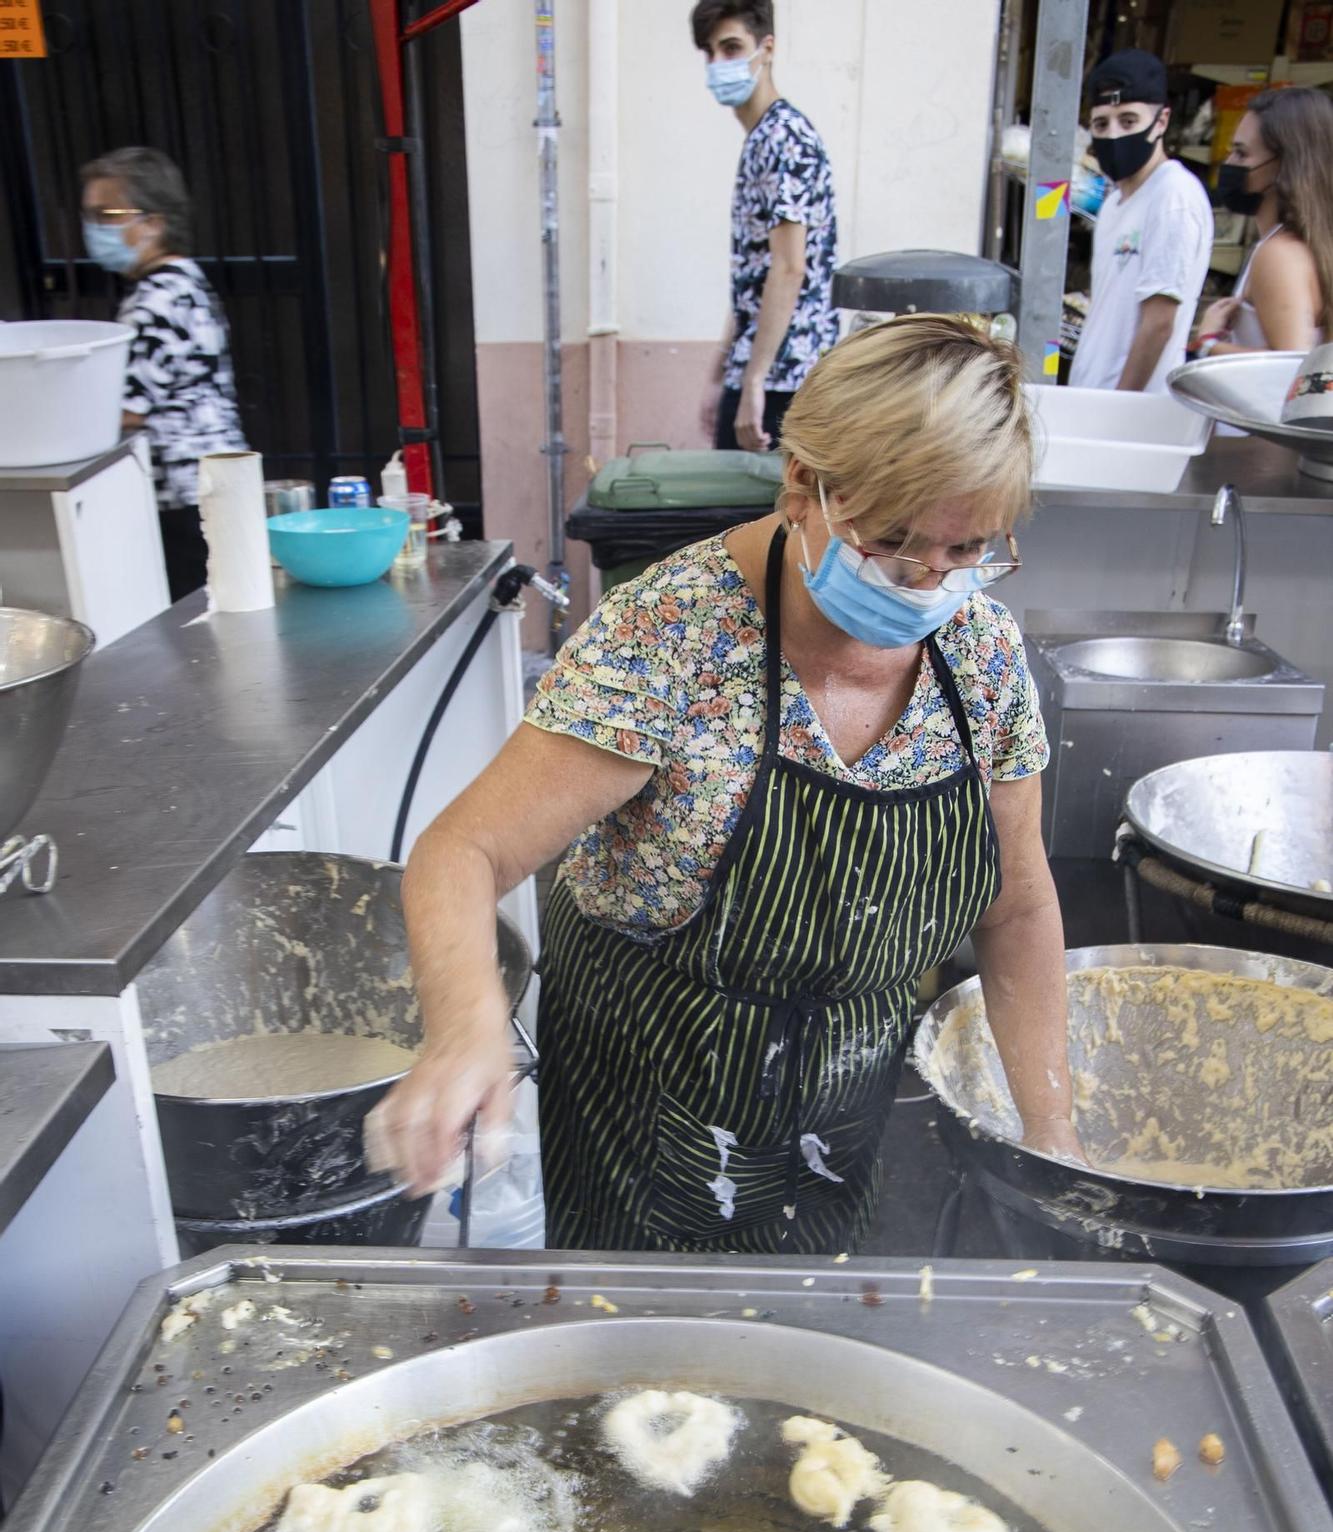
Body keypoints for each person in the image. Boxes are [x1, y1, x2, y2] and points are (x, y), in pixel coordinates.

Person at [372, 318, 1081, 1256]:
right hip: (652, 1093)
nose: (925, 584)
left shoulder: (979, 654)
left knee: (814, 1354)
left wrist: (1053, 1139)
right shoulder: (672, 636)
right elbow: (463, 851)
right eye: (894, 542)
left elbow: (1017, 904)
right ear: (802, 485)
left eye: (968, 550)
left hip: (845, 1099)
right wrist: (466, 1031)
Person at [79, 146, 247, 599]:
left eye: (108, 214)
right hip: (211, 484)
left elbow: (127, 409)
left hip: (185, 494)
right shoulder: (182, 282)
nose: (95, 227)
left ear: (153, 222)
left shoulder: (158, 299)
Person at [691, 1, 839, 452]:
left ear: (766, 47)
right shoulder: (763, 138)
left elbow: (789, 267)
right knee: (744, 518)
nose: (719, 63)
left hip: (784, 379)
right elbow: (754, 276)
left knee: (767, 521)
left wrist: (752, 382)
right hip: (763, 369)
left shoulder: (785, 139)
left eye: (732, 47)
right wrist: (722, 373)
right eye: (711, 52)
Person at [1070, 50, 1213, 394]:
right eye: (1101, 124)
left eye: (1129, 121)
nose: (1114, 135)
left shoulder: (1172, 197)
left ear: (1161, 121)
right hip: (1094, 397)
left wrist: (1120, 404)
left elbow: (1159, 322)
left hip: (1130, 415)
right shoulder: (1115, 203)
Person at [1195, 87, 1333, 358]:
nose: (1229, 163)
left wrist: (1209, 344)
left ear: (1284, 165)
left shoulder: (1278, 254)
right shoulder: (1300, 245)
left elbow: (1290, 370)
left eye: (1241, 154)